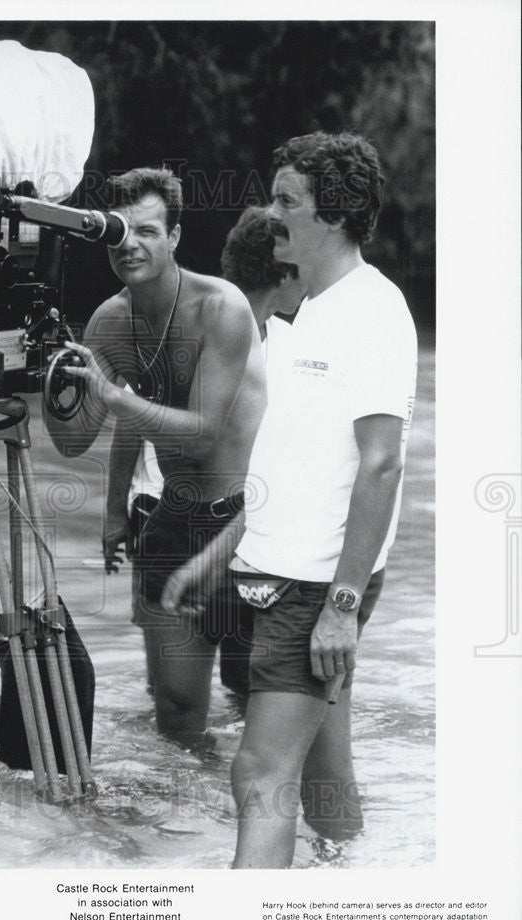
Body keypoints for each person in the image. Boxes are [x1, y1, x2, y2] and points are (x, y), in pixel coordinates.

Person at [162, 132, 417, 867]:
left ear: (332, 216)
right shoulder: (306, 310)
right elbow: (293, 467)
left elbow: (380, 465)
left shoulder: (375, 311)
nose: (270, 214)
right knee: (324, 779)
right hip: (286, 575)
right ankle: (352, 891)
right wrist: (221, 556)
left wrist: (340, 604)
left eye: (286, 201)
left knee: (259, 772)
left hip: (314, 587)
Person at [44, 166, 266, 745]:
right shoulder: (110, 321)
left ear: (174, 237)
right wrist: (53, 378)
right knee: (176, 714)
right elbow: (72, 440)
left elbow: (201, 434)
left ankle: (246, 821)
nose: (131, 245)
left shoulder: (222, 308)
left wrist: (114, 394)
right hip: (173, 520)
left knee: (257, 707)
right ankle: (178, 832)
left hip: (249, 526)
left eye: (147, 230)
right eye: (120, 232)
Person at [103, 206, 306, 700]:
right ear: (285, 272)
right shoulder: (201, 321)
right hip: (176, 512)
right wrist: (114, 514)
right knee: (184, 692)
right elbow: (132, 419)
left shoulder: (283, 342)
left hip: (235, 521)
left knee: (232, 687)